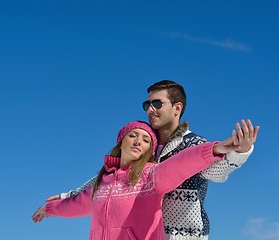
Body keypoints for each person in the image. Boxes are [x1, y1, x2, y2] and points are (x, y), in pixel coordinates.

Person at [39, 80, 260, 240]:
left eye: (156, 103)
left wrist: (238, 151)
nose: (150, 110)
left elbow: (216, 172)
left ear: (177, 108)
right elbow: (109, 182)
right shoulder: (144, 148)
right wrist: (69, 195)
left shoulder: (194, 144)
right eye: (147, 105)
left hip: (182, 235)